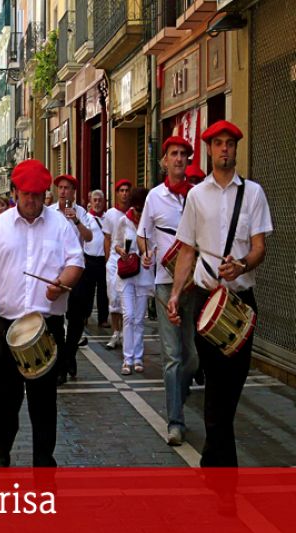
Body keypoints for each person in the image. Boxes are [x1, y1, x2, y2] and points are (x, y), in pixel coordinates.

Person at [168, 120, 273, 467]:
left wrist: (242, 265)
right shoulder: (197, 196)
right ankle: (221, 471)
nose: (225, 149)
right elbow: (186, 250)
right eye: (218, 143)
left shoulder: (254, 193)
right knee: (214, 384)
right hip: (205, 299)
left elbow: (259, 247)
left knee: (232, 386)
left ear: (236, 150)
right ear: (210, 150)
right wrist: (175, 294)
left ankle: (214, 459)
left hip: (241, 302)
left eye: (230, 143)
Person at [0, 159, 84, 467]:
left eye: (37, 194)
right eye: (26, 194)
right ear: (14, 193)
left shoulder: (60, 225)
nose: (32, 200)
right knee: (5, 399)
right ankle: (4, 442)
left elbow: (77, 262)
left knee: (44, 401)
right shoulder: (0, 227)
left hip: (46, 326)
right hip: (8, 326)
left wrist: (62, 284)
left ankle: (43, 462)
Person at [138, 136, 200, 446]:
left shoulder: (198, 195)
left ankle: (179, 391)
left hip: (195, 284)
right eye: (173, 154)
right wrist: (145, 253)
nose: (178, 159)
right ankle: (175, 421)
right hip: (164, 283)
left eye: (183, 154)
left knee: (193, 358)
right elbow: (143, 236)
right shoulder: (154, 198)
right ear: (165, 161)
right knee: (173, 356)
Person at [50, 175, 93, 385]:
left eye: (67, 188)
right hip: (56, 270)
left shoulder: (82, 212)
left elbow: (89, 236)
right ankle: (61, 364)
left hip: (76, 270)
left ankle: (69, 354)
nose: (63, 192)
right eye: (60, 188)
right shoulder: (49, 212)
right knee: (57, 320)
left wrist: (75, 219)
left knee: (76, 320)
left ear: (74, 192)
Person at [114, 188, 153, 375]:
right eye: (136, 209)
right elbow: (116, 243)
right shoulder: (124, 221)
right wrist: (121, 251)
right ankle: (127, 359)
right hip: (127, 273)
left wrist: (149, 254)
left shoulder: (150, 223)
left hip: (144, 274)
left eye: (141, 209)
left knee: (139, 319)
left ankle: (138, 357)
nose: (138, 213)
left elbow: (154, 246)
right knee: (128, 316)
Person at [102, 179, 132, 349]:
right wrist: (108, 260)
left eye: (127, 190)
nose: (124, 193)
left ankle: (127, 334)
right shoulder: (111, 214)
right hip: (114, 260)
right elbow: (107, 238)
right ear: (117, 193)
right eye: (121, 190)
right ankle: (115, 332)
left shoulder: (135, 213)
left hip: (130, 261)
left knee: (127, 298)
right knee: (113, 297)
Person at [81, 190, 109, 331]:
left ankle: (103, 319)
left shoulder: (107, 218)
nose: (97, 202)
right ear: (90, 202)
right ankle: (85, 315)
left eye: (100, 200)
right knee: (88, 290)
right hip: (89, 258)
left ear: (104, 202)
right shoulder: (86, 218)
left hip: (104, 259)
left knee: (104, 291)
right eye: (95, 200)